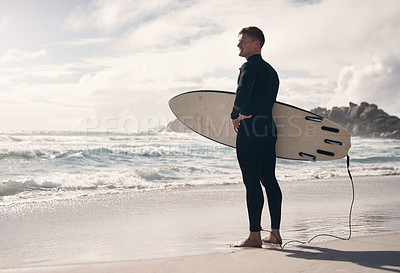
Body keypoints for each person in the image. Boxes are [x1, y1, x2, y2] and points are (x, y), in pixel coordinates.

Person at [230, 26, 282, 248]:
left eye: (243, 41)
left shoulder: (249, 67)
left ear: (256, 44)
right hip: (269, 129)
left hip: (251, 129)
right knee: (269, 180)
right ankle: (275, 234)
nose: (239, 45)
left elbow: (243, 93)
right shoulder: (272, 71)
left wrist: (234, 114)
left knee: (251, 183)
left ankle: (254, 236)